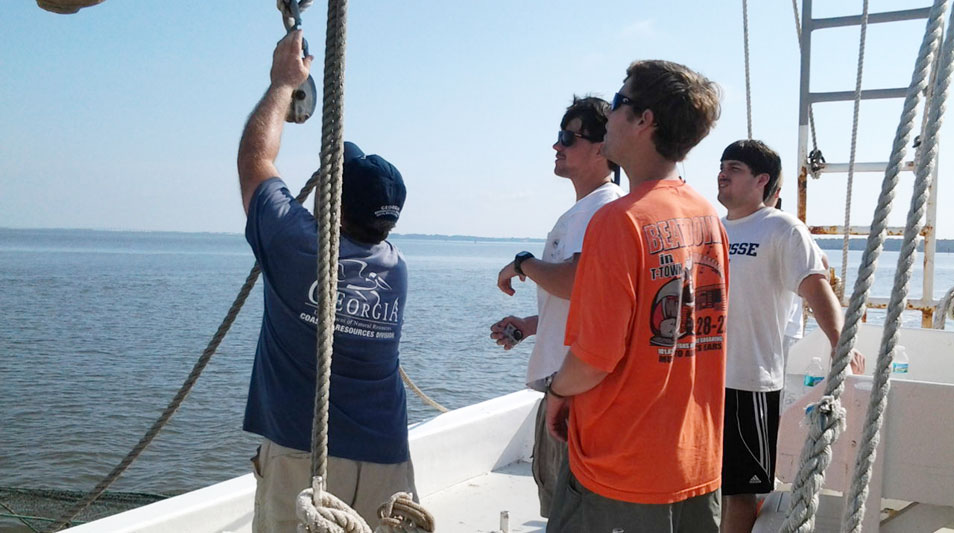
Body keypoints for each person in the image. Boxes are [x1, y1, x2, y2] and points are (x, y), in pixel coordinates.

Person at [237, 31, 415, 531]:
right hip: (387, 458)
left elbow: (255, 162)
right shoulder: (396, 268)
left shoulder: (297, 245)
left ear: (332, 197)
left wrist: (281, 85)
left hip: (305, 456)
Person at [544, 60, 728, 532]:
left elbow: (594, 358)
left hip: (620, 469)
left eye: (619, 103)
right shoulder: (707, 216)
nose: (609, 117)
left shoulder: (619, 221)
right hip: (695, 463)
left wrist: (556, 393)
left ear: (644, 120)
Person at [716, 139, 864, 533]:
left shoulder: (782, 228)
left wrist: (840, 343)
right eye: (721, 165)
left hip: (749, 380)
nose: (722, 173)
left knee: (739, 489)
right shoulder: (711, 229)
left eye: (734, 168)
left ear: (761, 180)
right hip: (699, 381)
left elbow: (816, 287)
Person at [490, 96, 623, 517]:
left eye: (568, 137)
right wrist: (532, 325)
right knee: (562, 506)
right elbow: (590, 301)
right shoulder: (587, 210)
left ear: (602, 149)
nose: (557, 146)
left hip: (576, 390)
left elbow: (577, 281)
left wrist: (522, 263)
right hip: (567, 384)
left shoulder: (600, 208)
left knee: (571, 512)